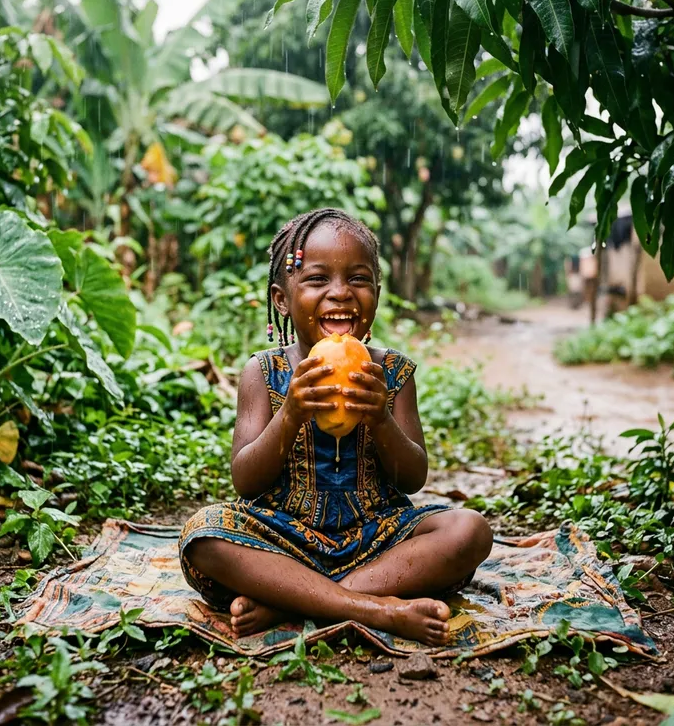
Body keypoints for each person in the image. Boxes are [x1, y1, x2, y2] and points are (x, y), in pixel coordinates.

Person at [179, 208, 493, 646]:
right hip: (283, 537)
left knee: (469, 530)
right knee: (202, 532)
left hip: (378, 538)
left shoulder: (391, 371)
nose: (341, 293)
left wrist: (380, 416)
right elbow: (245, 481)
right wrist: (289, 414)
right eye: (317, 279)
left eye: (359, 279)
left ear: (378, 293)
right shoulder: (263, 372)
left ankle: (292, 600)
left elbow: (413, 478)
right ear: (281, 299)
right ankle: (376, 607)